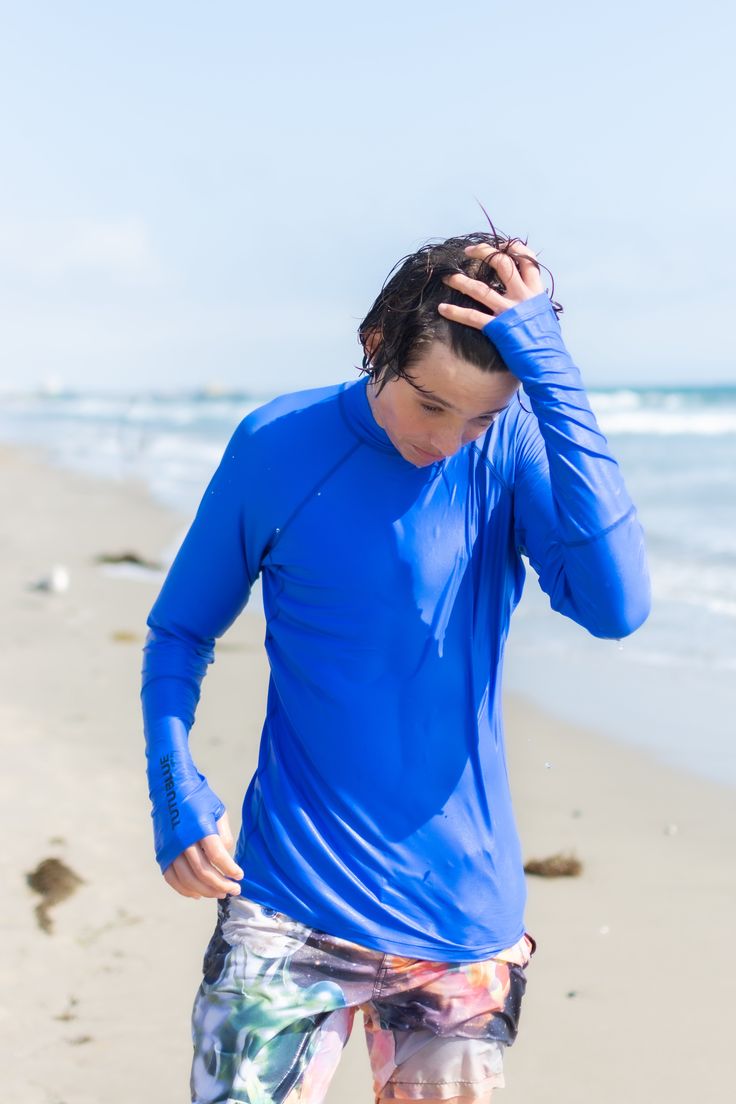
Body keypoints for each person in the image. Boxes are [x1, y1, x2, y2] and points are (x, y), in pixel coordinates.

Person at [140, 229, 651, 1104]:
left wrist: (552, 377)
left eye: (481, 414)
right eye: (430, 405)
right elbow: (180, 634)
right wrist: (174, 786)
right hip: (287, 906)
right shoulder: (278, 446)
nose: (451, 439)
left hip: (460, 919)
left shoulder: (513, 449)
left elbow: (617, 607)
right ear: (376, 346)